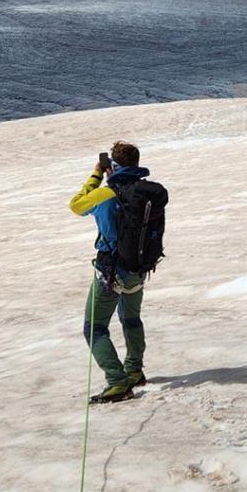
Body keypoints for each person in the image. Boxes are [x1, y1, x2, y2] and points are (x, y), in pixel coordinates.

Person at [70, 140, 150, 403]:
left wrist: (96, 175)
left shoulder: (106, 193)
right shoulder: (145, 191)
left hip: (111, 270)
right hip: (138, 268)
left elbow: (76, 205)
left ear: (112, 166)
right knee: (131, 319)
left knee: (94, 328)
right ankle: (134, 369)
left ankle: (117, 382)